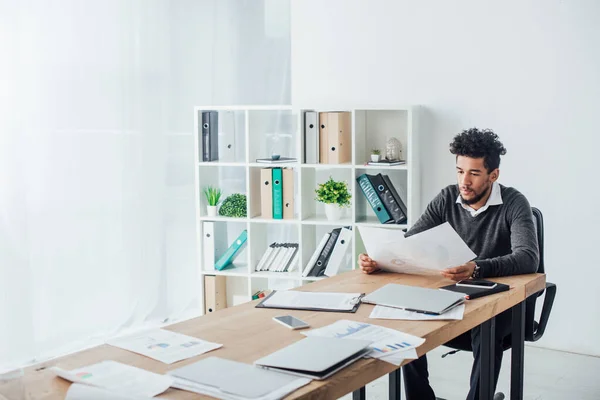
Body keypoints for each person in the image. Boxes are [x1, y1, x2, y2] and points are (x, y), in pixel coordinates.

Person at [359, 128, 539, 400]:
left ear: (493, 175)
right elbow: (409, 243)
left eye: (474, 173)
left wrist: (476, 267)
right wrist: (380, 260)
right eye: (459, 171)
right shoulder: (446, 199)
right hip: (451, 300)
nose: (463, 181)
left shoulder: (514, 203)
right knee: (403, 316)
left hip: (499, 307)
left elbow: (528, 257)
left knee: (485, 324)